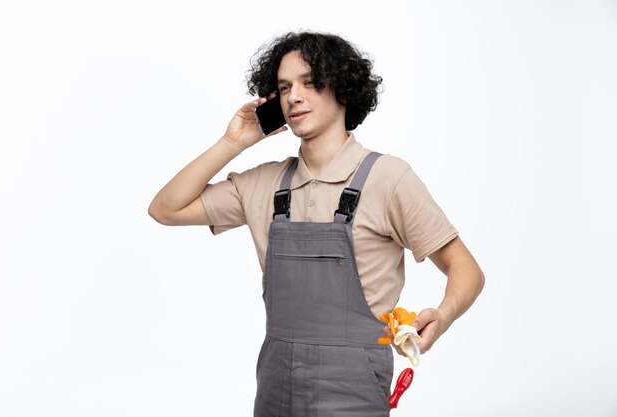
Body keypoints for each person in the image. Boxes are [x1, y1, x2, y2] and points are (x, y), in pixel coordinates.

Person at [148, 31, 485, 416]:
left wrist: (442, 315)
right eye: (284, 87)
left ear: (341, 88)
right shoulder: (264, 183)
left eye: (309, 83)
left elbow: (466, 269)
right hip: (275, 384)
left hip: (353, 386)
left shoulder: (389, 179)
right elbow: (166, 209)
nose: (294, 96)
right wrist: (234, 142)